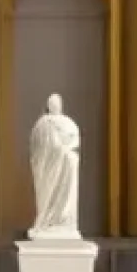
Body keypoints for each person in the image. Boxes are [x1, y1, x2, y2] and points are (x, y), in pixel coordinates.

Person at [29, 93, 81, 239]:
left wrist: (64, 150)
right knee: (49, 191)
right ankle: (47, 220)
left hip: (63, 165)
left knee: (70, 163)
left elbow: (75, 141)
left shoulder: (67, 123)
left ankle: (62, 221)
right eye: (52, 103)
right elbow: (37, 149)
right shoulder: (43, 124)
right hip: (49, 166)